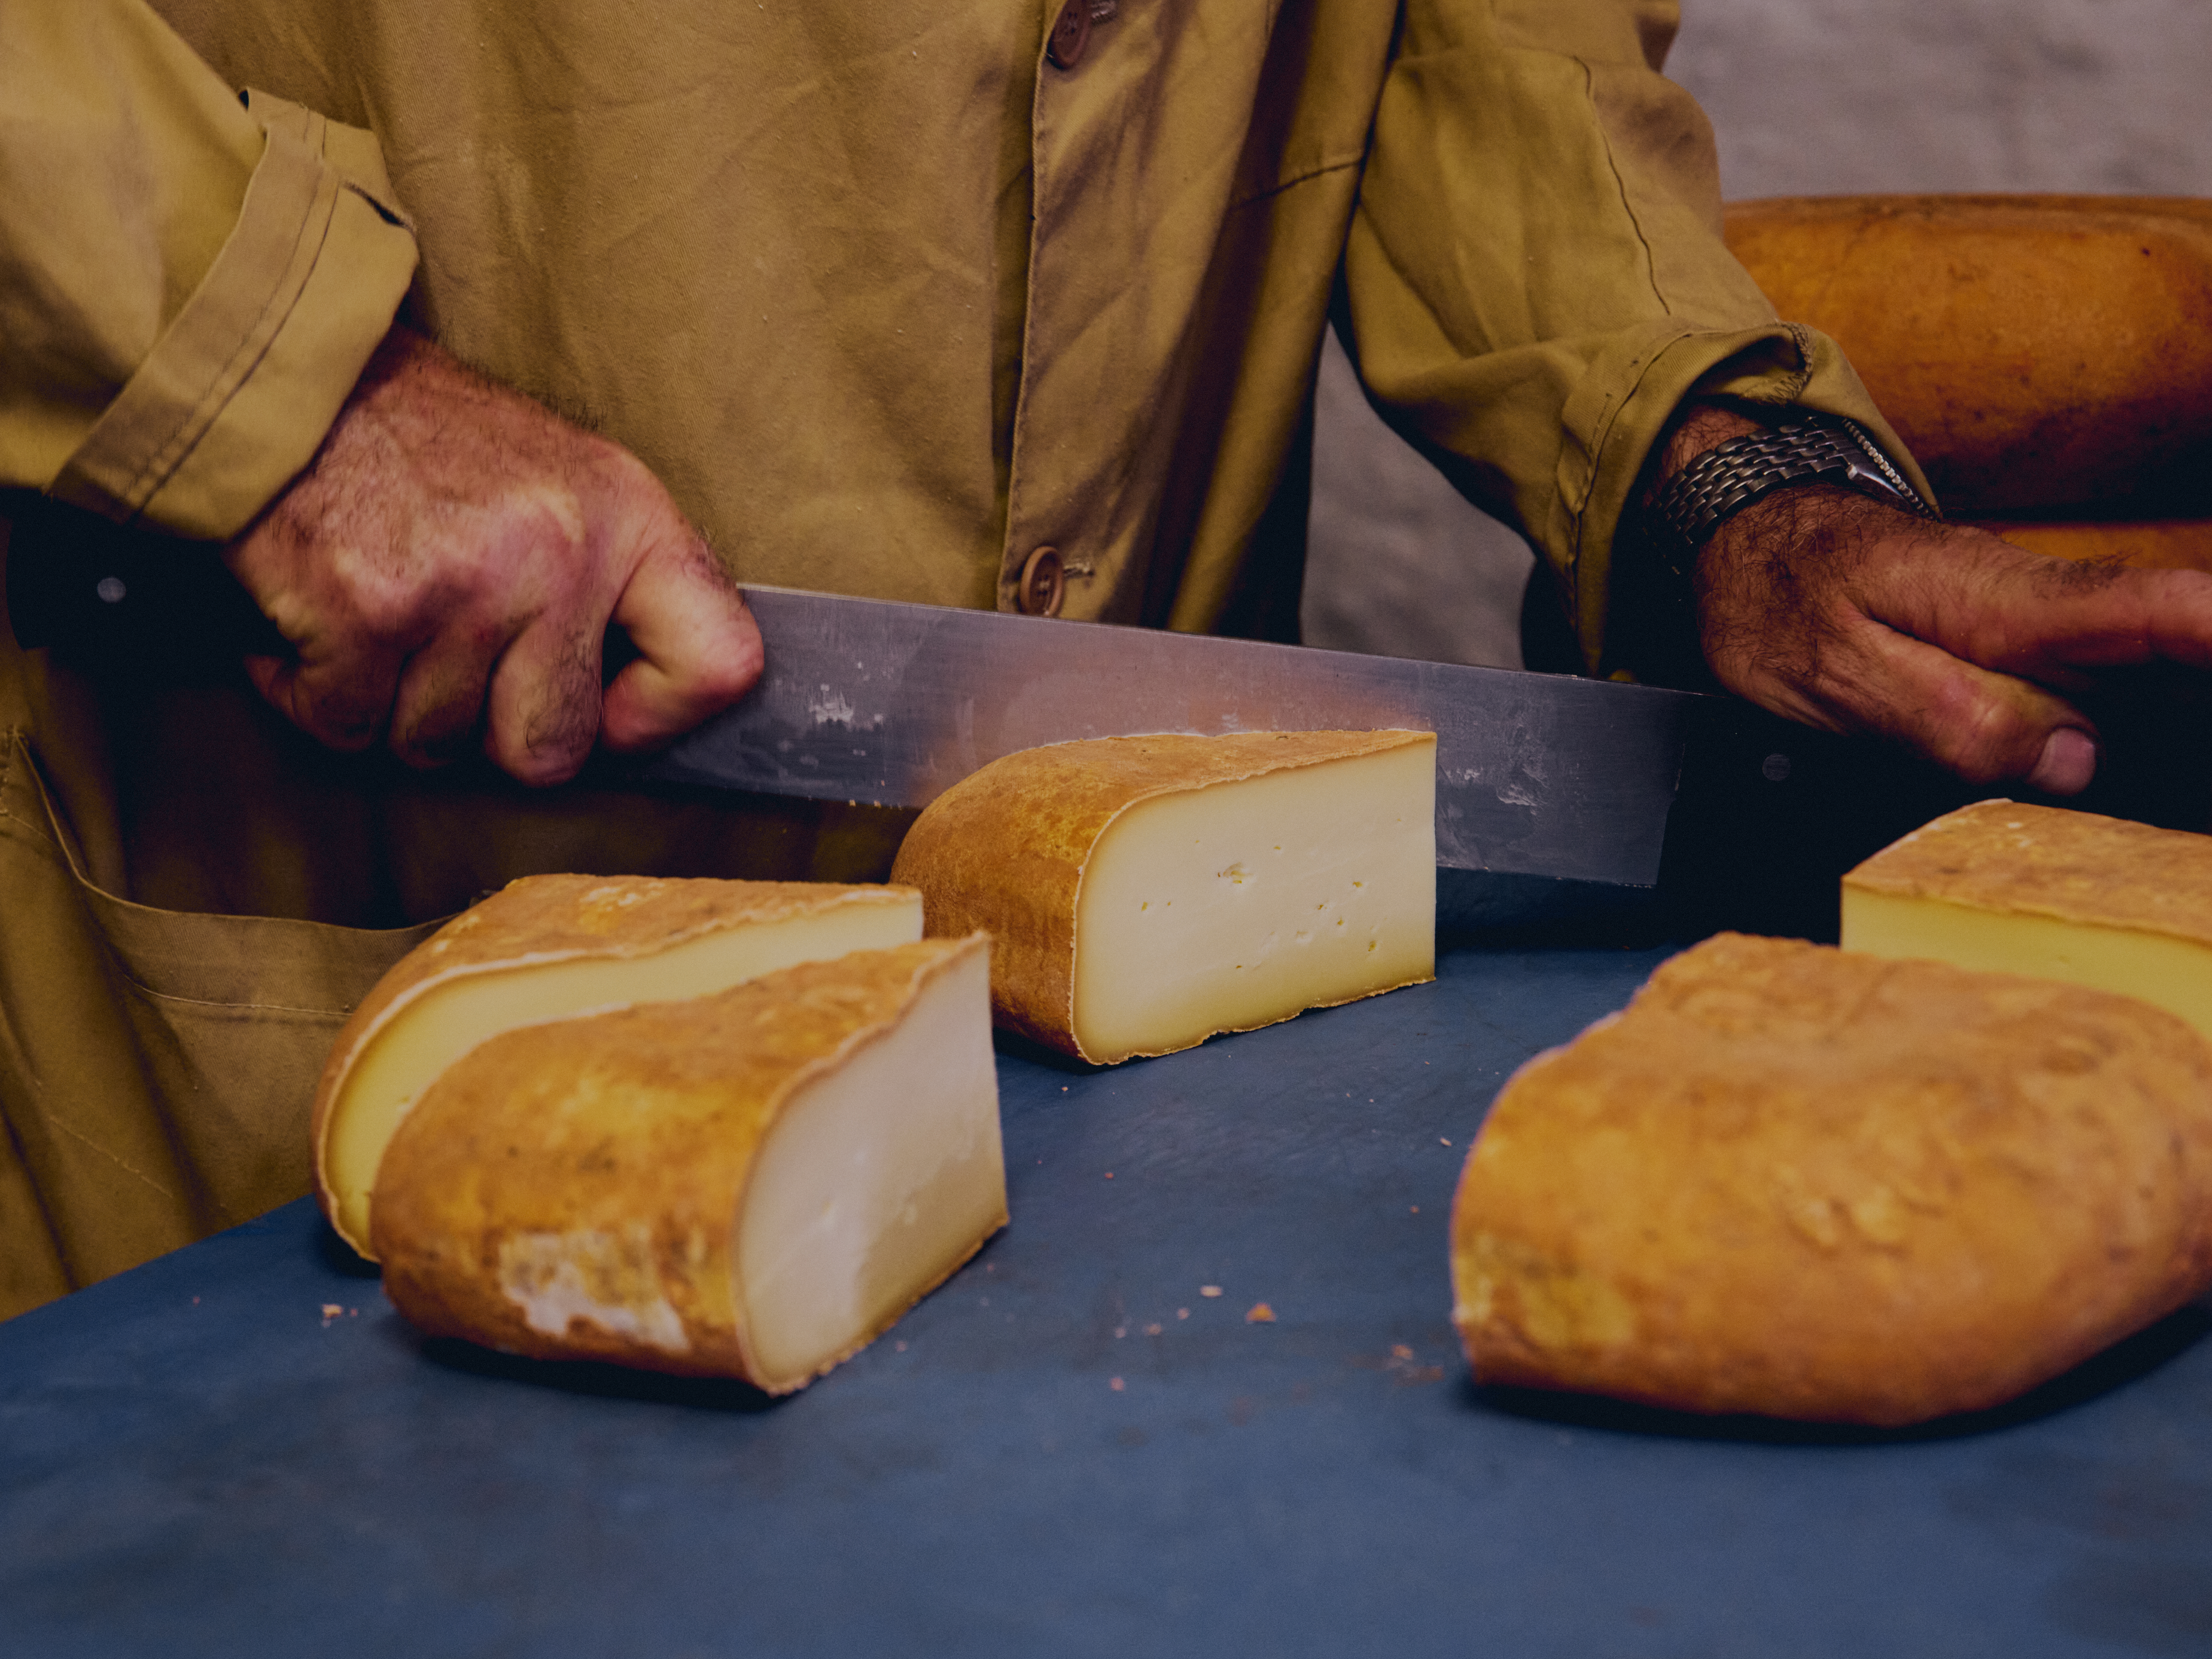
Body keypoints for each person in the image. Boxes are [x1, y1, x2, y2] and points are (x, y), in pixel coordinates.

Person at [4, 0, 2209, 1316]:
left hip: (1113, 1093)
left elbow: (1502, 53)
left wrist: (1731, 477)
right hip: (295, 889)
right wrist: (283, 387)